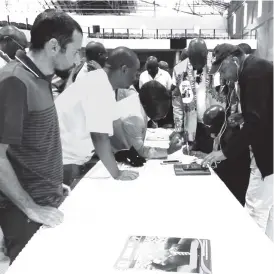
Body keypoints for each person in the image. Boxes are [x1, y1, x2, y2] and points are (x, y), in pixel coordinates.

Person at [0, 9, 83, 263]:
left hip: (48, 201)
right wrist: (30, 206)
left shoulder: (40, 78)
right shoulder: (15, 81)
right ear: (54, 46)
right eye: (74, 51)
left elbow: (34, 141)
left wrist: (53, 184)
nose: (77, 58)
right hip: (25, 214)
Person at [202, 44, 273, 241]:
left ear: (233, 60)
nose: (223, 76)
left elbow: (256, 125)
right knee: (269, 210)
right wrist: (245, 116)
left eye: (223, 70)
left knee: (255, 208)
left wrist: (224, 153)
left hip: (268, 150)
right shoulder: (255, 68)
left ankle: (252, 258)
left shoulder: (252, 73)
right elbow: (264, 110)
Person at [55, 46, 140, 186]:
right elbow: (99, 136)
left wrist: (128, 150)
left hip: (69, 160)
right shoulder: (100, 86)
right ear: (124, 69)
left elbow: (115, 124)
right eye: (135, 73)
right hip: (65, 163)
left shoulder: (101, 80)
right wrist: (117, 174)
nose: (136, 78)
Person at [111, 80, 183, 159]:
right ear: (152, 104)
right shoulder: (135, 117)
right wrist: (168, 151)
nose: (164, 116)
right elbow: (139, 151)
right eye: (162, 108)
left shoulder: (137, 101)